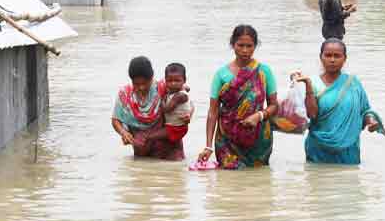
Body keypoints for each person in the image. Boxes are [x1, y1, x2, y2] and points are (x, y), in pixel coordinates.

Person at [198, 25, 279, 169]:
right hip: (227, 141)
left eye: (249, 46)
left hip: (258, 140)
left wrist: (259, 116)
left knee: (258, 183)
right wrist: (208, 146)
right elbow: (213, 111)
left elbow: (274, 105)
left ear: (255, 46)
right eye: (240, 45)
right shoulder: (221, 75)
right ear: (232, 44)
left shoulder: (264, 71)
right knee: (228, 183)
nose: (245, 50)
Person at [293, 39, 384, 164]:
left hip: (349, 150)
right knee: (317, 180)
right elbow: (311, 114)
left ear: (344, 58)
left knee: (348, 181)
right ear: (321, 57)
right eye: (328, 55)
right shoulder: (312, 82)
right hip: (318, 150)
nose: (332, 60)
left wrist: (371, 122)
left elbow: (365, 111)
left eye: (337, 56)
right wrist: (307, 85)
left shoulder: (353, 83)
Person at [111, 56, 189, 161]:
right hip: (142, 152)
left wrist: (188, 115)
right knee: (145, 174)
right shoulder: (125, 95)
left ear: (152, 77)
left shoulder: (165, 87)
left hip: (170, 151)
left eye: (145, 83)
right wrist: (124, 133)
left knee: (173, 174)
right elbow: (116, 119)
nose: (141, 87)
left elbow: (187, 101)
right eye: (136, 84)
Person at [162, 62, 194, 144]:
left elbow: (167, 109)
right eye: (169, 81)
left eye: (177, 81)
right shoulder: (177, 90)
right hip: (176, 125)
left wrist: (161, 100)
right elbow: (187, 88)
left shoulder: (179, 96)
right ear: (165, 80)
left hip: (176, 128)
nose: (173, 83)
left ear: (184, 80)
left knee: (152, 136)